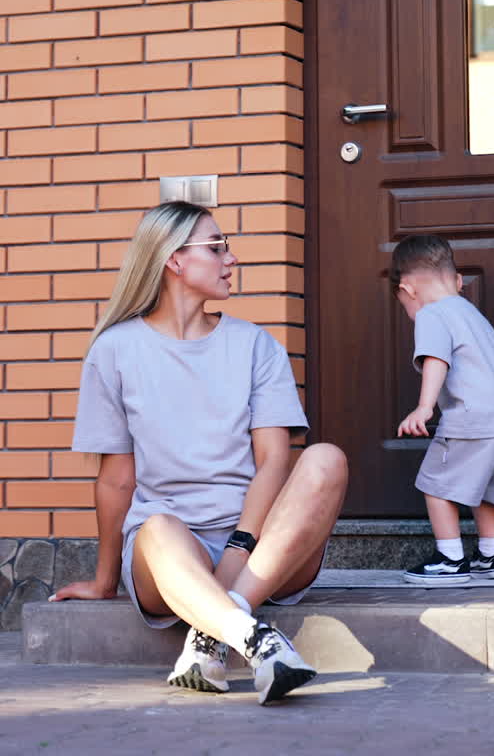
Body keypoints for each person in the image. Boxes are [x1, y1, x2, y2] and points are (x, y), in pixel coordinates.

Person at [50, 201, 348, 703]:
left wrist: (239, 548)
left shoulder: (257, 346)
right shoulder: (115, 351)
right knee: (157, 525)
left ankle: (214, 633)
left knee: (327, 459)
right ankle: (256, 639)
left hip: (262, 549)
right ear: (174, 260)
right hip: (167, 559)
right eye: (217, 247)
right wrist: (105, 581)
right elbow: (117, 480)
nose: (231, 259)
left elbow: (274, 462)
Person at [391, 234, 494, 585]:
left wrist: (424, 407)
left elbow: (436, 359)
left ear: (408, 290)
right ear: (458, 281)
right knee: (483, 488)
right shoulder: (471, 313)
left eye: (404, 306)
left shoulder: (432, 314)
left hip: (473, 416)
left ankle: (450, 558)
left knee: (435, 484)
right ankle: (491, 552)